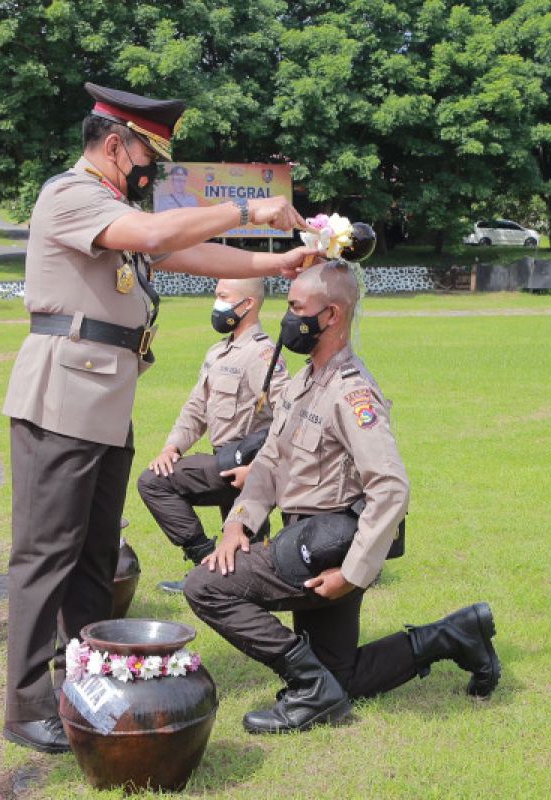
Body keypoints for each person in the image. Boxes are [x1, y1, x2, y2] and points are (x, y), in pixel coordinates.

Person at [0, 81, 316, 754]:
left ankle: (85, 681)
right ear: (113, 145)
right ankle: (28, 705)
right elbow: (157, 233)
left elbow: (184, 254)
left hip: (103, 404)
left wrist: (277, 261)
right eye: (147, 156)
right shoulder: (72, 195)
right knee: (45, 556)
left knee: (92, 560)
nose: (152, 170)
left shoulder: (112, 204)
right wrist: (248, 205)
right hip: (62, 399)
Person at [184, 260, 500, 734]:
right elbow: (270, 460)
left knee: (204, 586)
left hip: (327, 547)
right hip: (306, 539)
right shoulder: (304, 379)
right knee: (342, 675)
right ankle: (457, 634)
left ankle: (310, 690)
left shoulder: (353, 395)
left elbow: (391, 488)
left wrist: (353, 574)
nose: (287, 319)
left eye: (295, 308)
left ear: (330, 315)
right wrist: (237, 524)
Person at [137, 278, 289, 593]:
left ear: (247, 304)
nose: (216, 304)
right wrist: (171, 447)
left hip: (248, 465)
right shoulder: (218, 352)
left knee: (154, 484)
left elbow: (289, 417)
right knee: (249, 550)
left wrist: (258, 470)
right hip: (223, 458)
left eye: (222, 297)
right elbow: (196, 408)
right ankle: (209, 563)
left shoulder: (263, 355)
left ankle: (219, 572)